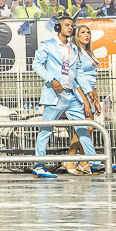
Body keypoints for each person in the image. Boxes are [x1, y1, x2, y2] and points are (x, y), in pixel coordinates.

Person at [31, 14, 101, 178]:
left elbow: (79, 73)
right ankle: (38, 167)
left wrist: (89, 92)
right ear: (58, 27)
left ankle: (94, 163)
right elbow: (36, 65)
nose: (70, 27)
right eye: (67, 25)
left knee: (83, 128)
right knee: (46, 130)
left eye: (72, 25)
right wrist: (52, 79)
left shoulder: (74, 48)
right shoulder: (48, 44)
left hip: (72, 95)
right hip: (55, 95)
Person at [63, 24, 101, 175]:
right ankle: (70, 159)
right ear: (76, 35)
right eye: (83, 32)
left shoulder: (89, 52)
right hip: (79, 91)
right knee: (84, 127)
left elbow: (92, 78)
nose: (87, 35)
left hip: (91, 91)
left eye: (88, 33)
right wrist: (85, 98)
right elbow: (75, 76)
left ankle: (84, 163)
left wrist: (95, 97)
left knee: (88, 128)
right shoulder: (75, 51)